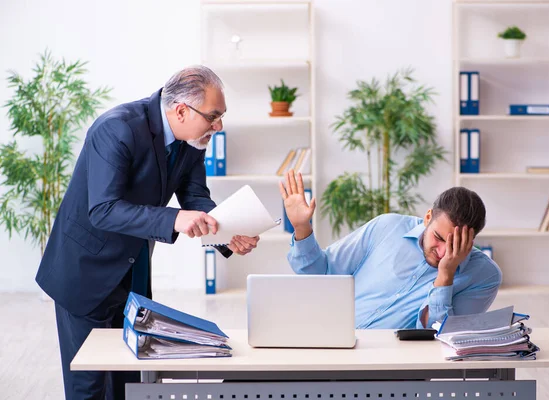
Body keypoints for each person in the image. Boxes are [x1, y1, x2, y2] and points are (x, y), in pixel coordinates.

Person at [36, 66, 259, 400]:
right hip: (83, 272)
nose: (219, 126)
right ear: (181, 110)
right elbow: (104, 209)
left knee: (129, 380)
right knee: (89, 386)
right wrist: (174, 219)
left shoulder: (192, 139)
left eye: (221, 116)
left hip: (133, 268)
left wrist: (226, 232)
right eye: (213, 116)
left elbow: (195, 196)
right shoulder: (117, 129)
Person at [279, 170, 502, 330]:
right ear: (427, 218)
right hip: (330, 344)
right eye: (438, 238)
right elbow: (318, 273)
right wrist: (301, 227)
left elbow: (441, 338)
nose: (443, 252)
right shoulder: (387, 227)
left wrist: (446, 275)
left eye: (455, 245)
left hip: (393, 375)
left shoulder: (484, 276)